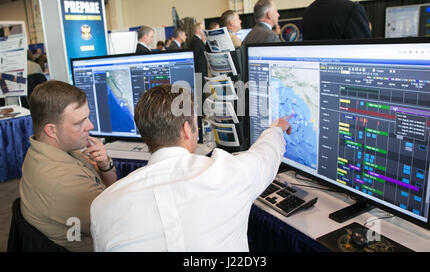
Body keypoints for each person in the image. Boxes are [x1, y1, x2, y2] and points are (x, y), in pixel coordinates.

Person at [90, 84, 292, 251]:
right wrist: (276, 128)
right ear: (187, 130)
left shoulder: (103, 205)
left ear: (145, 135)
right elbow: (266, 154)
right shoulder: (230, 173)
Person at [19, 80, 117, 251]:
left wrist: (105, 166)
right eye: (80, 122)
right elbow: (117, 224)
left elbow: (108, 191)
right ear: (52, 130)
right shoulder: (62, 181)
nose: (91, 126)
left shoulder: (51, 150)